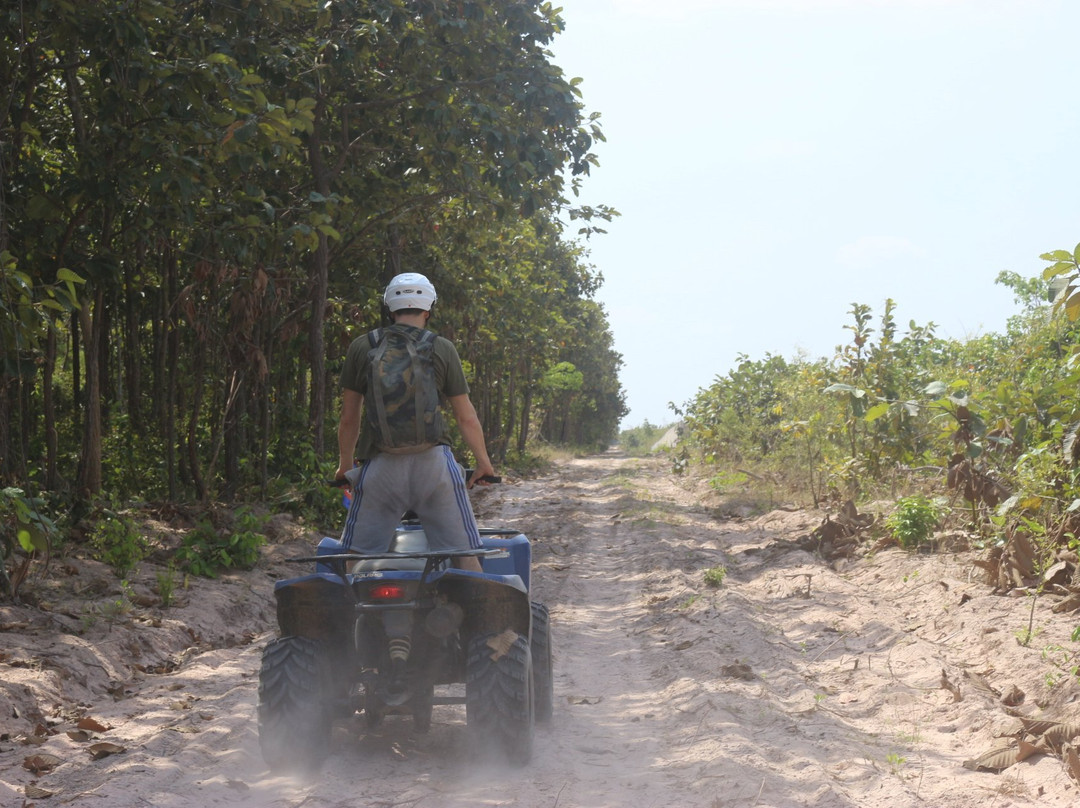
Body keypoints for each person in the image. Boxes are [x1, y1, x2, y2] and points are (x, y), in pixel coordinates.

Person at [334, 272, 496, 572]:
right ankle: (478, 602)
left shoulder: (362, 346)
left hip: (380, 467)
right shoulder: (441, 347)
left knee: (354, 557)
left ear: (389, 308)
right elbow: (466, 416)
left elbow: (349, 418)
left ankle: (345, 601)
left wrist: (345, 466)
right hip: (434, 467)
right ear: (428, 309)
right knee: (464, 553)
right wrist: (483, 463)